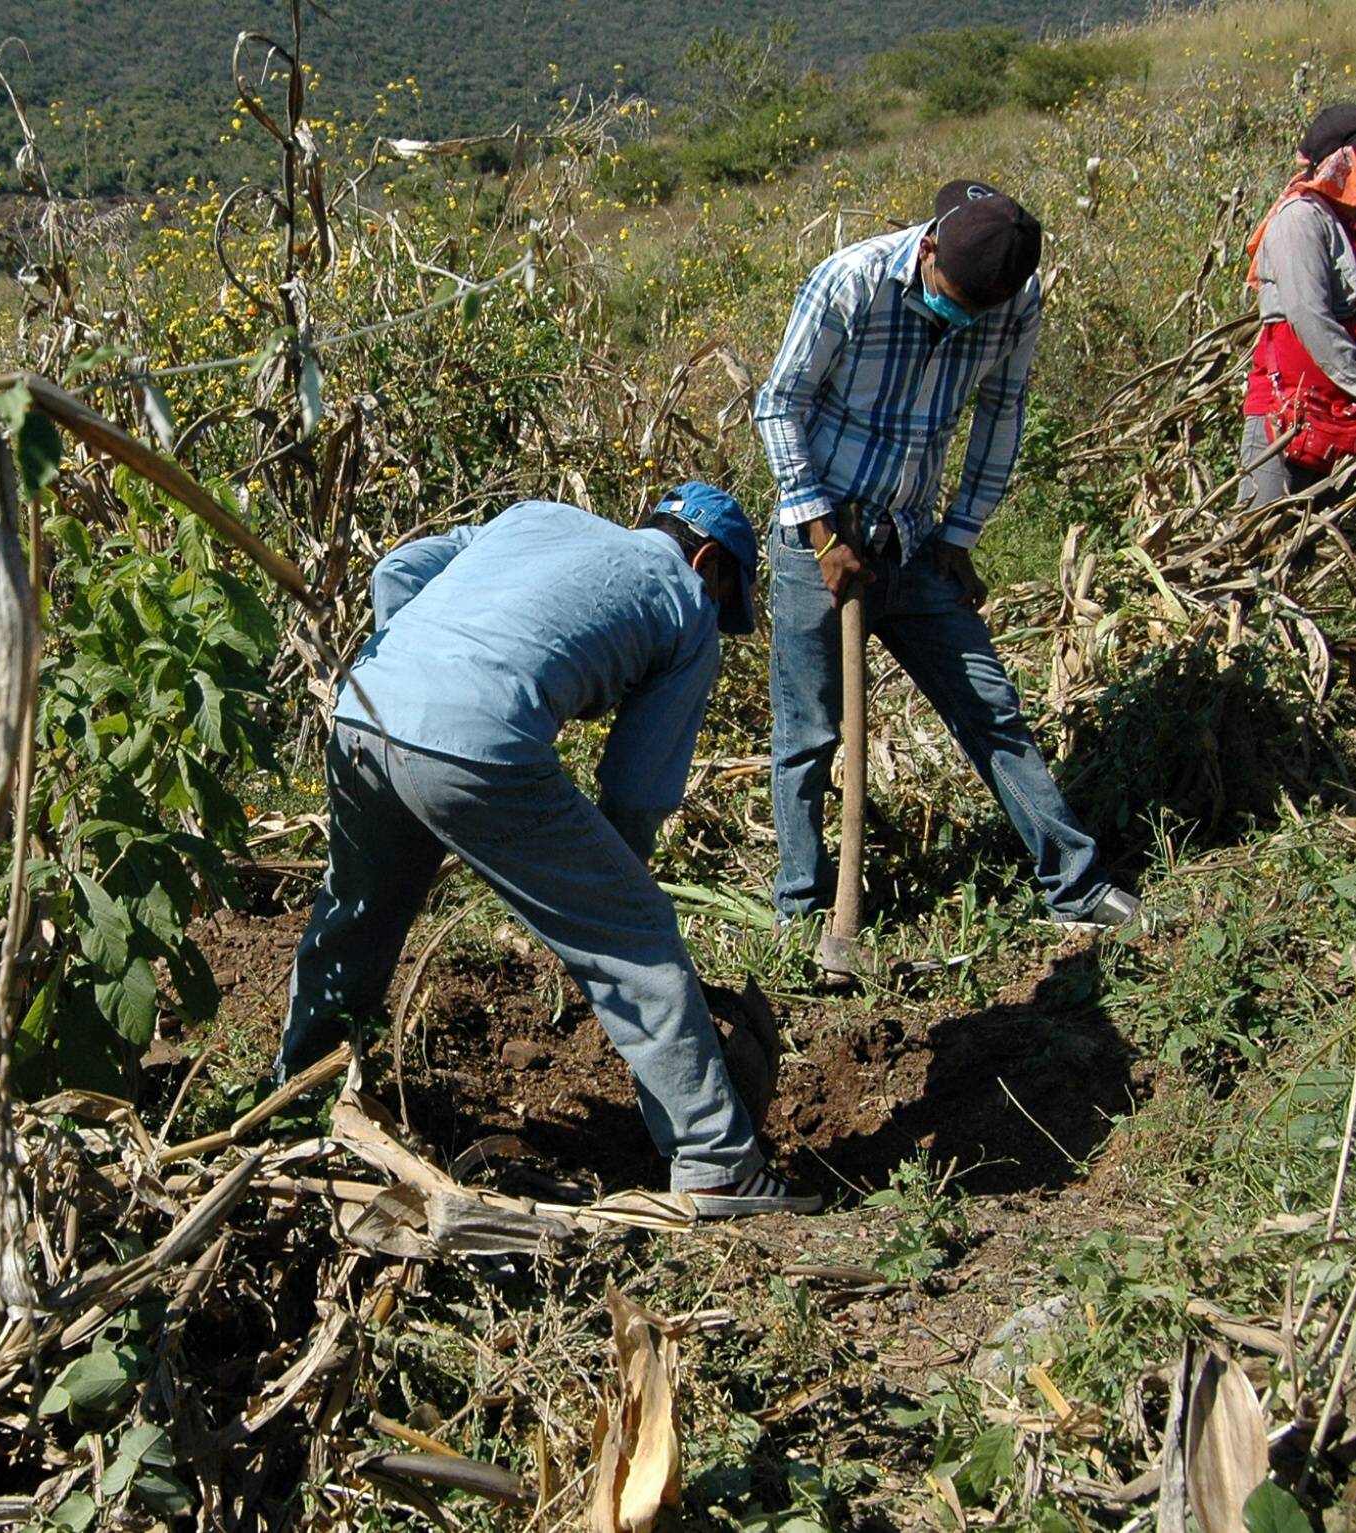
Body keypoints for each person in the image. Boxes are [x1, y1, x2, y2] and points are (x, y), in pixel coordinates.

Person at [276, 486, 818, 1217]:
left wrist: (417, 674)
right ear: (709, 560)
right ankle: (717, 1163)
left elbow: (397, 571)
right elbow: (635, 788)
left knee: (356, 919)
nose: (718, 610)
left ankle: (294, 1104)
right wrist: (607, 905)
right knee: (639, 938)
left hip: (363, 709)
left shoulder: (536, 516)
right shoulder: (686, 601)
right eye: (726, 594)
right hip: (478, 747)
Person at [755, 179, 1139, 942]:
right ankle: (801, 911)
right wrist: (825, 537)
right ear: (926, 247)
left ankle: (1075, 884)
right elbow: (778, 404)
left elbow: (1003, 408)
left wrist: (960, 534)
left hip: (912, 539)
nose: (962, 317)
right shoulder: (851, 282)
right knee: (807, 735)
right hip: (821, 540)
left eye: (978, 309)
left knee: (988, 708)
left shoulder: (1012, 301)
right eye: (952, 298)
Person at [1239, 104, 1356, 510]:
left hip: (1340, 413)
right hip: (1288, 413)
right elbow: (1312, 319)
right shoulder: (1300, 221)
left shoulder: (1355, 224)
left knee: (1312, 545)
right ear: (1344, 160)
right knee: (1262, 543)